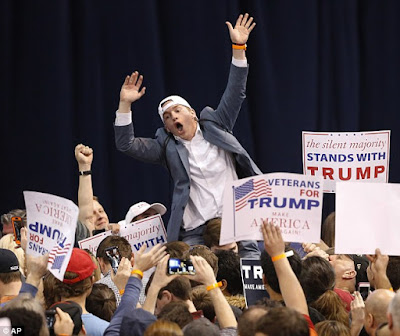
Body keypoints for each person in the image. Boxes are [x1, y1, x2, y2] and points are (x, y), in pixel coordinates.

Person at [114, 13, 260, 257]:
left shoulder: (217, 124)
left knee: (250, 272)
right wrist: (124, 105)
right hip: (197, 229)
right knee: (191, 277)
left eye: (177, 111)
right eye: (167, 117)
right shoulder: (166, 145)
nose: (173, 118)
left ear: (192, 113)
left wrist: (239, 48)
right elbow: (126, 144)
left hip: (236, 219)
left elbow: (236, 91)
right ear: (168, 127)